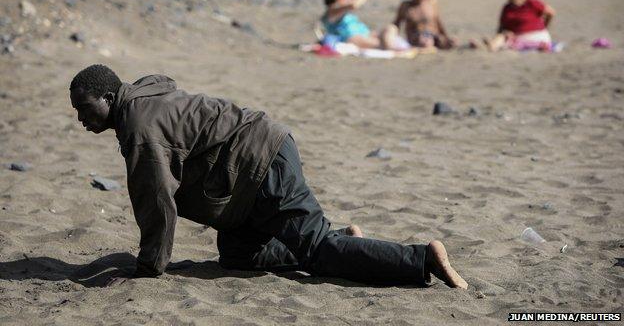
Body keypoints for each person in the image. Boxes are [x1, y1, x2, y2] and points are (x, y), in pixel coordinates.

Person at [69, 64, 468, 289]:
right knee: (239, 255)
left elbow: (156, 204)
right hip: (243, 177)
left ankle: (422, 258)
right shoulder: (141, 95)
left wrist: (148, 269)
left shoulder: (139, 128)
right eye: (77, 113)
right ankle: (344, 241)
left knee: (317, 253)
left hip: (260, 163)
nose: (83, 121)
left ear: (108, 98)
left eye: (86, 109)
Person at [322, 0, 412, 51]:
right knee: (380, 43)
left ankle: (392, 46)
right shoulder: (332, 10)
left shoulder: (342, 8)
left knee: (391, 28)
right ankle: (393, 48)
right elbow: (355, 5)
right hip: (352, 38)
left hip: (365, 33)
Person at [484, 0, 556, 52]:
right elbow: (502, 27)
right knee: (503, 37)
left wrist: (545, 27)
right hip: (529, 37)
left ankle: (489, 46)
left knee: (502, 38)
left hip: (533, 36)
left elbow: (551, 12)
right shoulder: (507, 7)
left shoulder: (531, 2)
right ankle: (491, 44)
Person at [392, 0, 457, 51]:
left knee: (451, 42)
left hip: (433, 34)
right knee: (424, 42)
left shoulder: (432, 2)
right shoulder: (406, 6)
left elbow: (438, 21)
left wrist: (445, 37)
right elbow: (396, 24)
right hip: (416, 37)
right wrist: (392, 38)